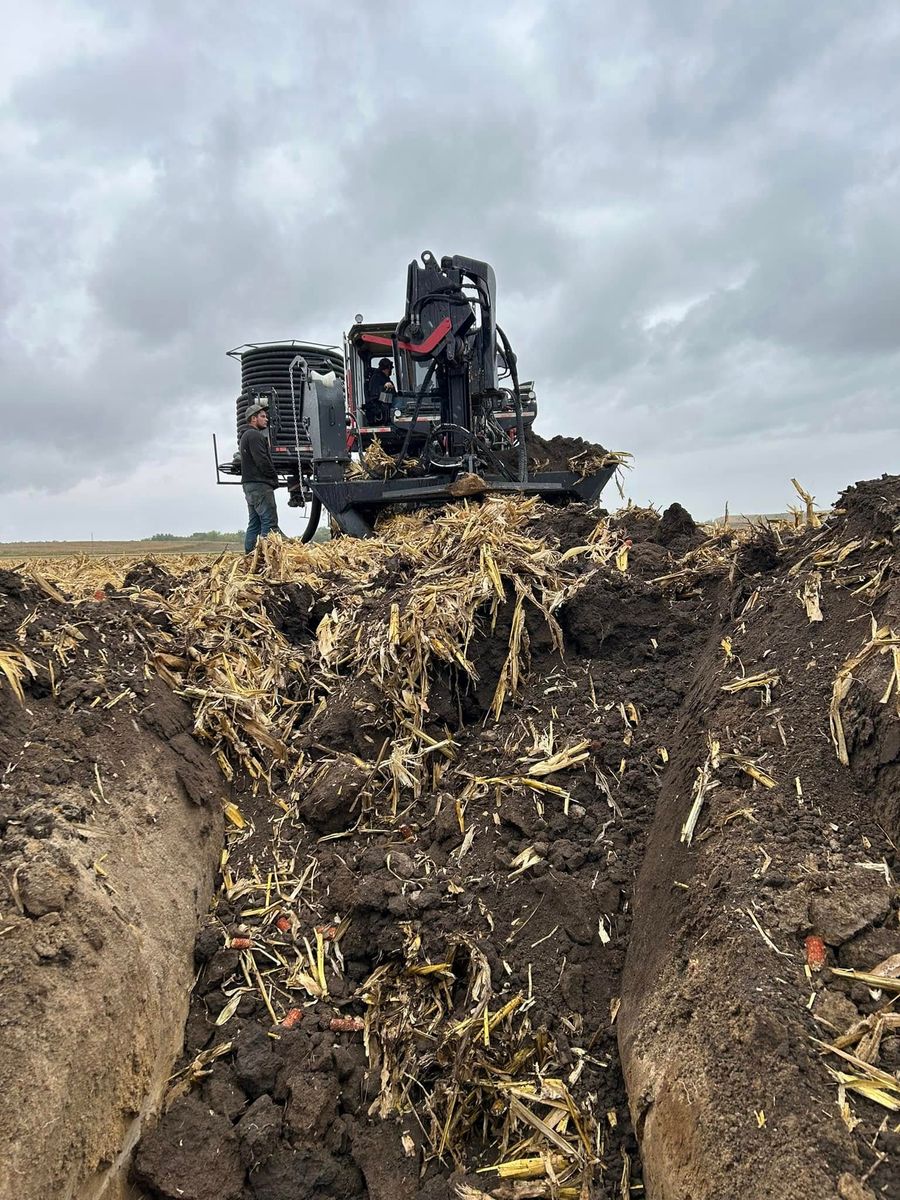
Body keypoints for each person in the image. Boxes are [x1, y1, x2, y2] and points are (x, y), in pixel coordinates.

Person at [240, 403, 281, 553]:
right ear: (253, 419)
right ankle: (266, 558)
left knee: (255, 523)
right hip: (260, 485)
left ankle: (250, 557)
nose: (266, 419)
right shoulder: (255, 435)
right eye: (262, 416)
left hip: (249, 485)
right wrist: (273, 477)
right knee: (269, 522)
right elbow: (262, 460)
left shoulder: (245, 436)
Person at [364, 357, 396, 423]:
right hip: (379, 413)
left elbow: (393, 396)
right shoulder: (376, 378)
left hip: (386, 411)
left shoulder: (386, 379)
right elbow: (376, 397)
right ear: (387, 368)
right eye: (390, 369)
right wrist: (385, 388)